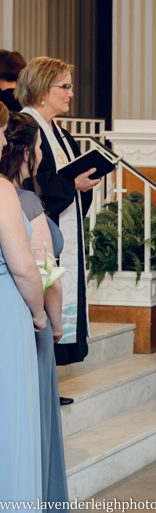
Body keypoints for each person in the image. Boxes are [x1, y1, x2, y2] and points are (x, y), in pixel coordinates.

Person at [0, 110, 69, 503]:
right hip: (26, 319)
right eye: (40, 146)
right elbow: (42, 271)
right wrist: (52, 320)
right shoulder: (22, 199)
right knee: (30, 421)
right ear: (27, 154)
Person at [17, 56, 98, 368]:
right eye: (64, 87)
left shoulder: (61, 133)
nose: (71, 93)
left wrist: (82, 184)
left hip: (62, 226)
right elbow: (26, 182)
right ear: (41, 89)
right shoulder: (23, 127)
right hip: (37, 231)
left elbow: (64, 177)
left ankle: (52, 374)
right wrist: (71, 185)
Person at [0, 103, 45, 503]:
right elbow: (24, 268)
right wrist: (38, 310)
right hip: (4, 314)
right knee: (9, 416)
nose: (3, 141)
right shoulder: (1, 190)